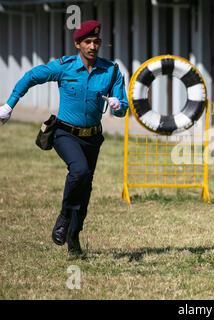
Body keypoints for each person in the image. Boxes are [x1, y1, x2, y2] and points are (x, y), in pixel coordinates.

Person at [0, 20, 129, 257]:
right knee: (79, 171)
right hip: (64, 133)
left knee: (85, 188)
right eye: (87, 42)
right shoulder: (64, 67)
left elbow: (123, 108)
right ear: (78, 44)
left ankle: (74, 238)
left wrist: (118, 105)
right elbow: (31, 76)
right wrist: (9, 105)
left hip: (92, 138)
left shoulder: (111, 71)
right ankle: (64, 217)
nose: (93, 46)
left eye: (96, 42)